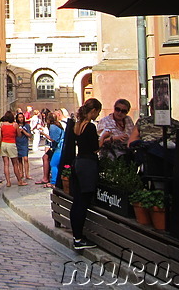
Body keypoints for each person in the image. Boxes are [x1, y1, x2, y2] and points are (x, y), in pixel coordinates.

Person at [70, 98, 102, 250]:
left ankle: (77, 235)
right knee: (83, 202)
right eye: (98, 112)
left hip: (78, 162)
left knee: (77, 201)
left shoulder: (78, 125)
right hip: (88, 164)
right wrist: (105, 138)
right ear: (93, 110)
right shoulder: (89, 127)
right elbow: (95, 148)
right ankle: (79, 239)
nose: (97, 115)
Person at [0, 111, 26, 187]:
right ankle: (19, 181)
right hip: (11, 144)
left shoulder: (2, 125)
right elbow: (19, 135)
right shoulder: (15, 125)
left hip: (3, 144)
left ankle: (8, 182)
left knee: (6, 164)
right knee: (15, 164)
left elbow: (0, 135)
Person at [15, 112, 32, 181]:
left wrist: (23, 131)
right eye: (19, 117)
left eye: (22, 117)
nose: (21, 119)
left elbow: (29, 135)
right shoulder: (15, 125)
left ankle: (27, 174)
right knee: (19, 159)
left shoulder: (27, 125)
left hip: (24, 143)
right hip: (17, 143)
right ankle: (21, 173)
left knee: (25, 158)